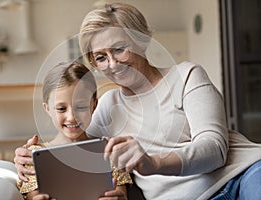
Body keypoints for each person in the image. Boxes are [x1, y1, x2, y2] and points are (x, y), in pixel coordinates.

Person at [14, 3, 261, 200]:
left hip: (243, 175)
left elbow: (214, 150)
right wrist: (29, 157)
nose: (112, 64)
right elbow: (72, 146)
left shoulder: (186, 76)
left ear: (142, 41)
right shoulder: (107, 106)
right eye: (101, 57)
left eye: (120, 49)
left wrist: (153, 163)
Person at [16, 61, 132, 200]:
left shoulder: (108, 151)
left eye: (81, 107)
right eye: (61, 109)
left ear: (94, 105)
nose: (71, 117)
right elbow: (32, 197)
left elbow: (121, 195)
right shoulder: (34, 156)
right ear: (47, 108)